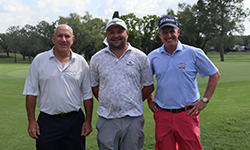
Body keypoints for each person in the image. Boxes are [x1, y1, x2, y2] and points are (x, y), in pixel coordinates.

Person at [147, 15, 220, 150]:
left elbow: (215, 74)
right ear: (160, 35)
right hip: (162, 114)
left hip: (187, 114)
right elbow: (145, 80)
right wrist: (150, 100)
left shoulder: (193, 52)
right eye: (165, 32)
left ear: (178, 32)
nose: (169, 35)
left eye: (172, 31)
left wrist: (204, 100)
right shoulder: (152, 56)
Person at [23, 24, 93, 150]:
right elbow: (31, 92)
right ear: (53, 38)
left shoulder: (81, 62)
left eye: (67, 36)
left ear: (72, 39)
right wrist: (32, 121)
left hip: (74, 120)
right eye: (60, 36)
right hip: (47, 120)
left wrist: (88, 121)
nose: (63, 39)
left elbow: (87, 95)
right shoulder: (39, 60)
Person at [89, 18, 154, 150]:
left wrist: (133, 100)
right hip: (107, 118)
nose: (115, 35)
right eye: (111, 32)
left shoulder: (140, 57)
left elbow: (149, 86)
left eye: (120, 31)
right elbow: (94, 86)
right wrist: (107, 101)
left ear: (127, 33)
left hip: (133, 118)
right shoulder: (96, 58)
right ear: (107, 35)